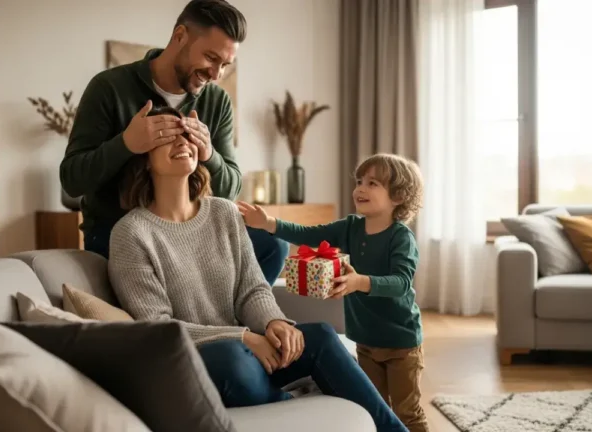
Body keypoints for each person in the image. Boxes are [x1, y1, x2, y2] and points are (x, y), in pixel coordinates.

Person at [106, 117, 409, 432]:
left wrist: (274, 323)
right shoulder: (131, 233)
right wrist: (243, 337)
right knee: (232, 361)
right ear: (143, 158)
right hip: (195, 363)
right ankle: (290, 409)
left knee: (319, 335)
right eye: (168, 137)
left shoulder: (224, 213)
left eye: (187, 135)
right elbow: (157, 329)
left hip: (247, 352)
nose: (183, 142)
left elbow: (252, 288)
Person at [58, 0, 287, 285]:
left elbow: (230, 190)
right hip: (116, 231)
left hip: (190, 231)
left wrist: (210, 154)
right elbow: (71, 180)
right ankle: (205, 325)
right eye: (211, 58)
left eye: (226, 65)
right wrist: (126, 143)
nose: (216, 75)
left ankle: (223, 324)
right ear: (180, 36)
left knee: (274, 246)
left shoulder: (217, 102)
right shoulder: (109, 88)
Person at [238, 153, 429, 432]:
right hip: (365, 340)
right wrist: (269, 223)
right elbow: (308, 234)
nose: (360, 188)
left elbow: (400, 282)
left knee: (407, 412)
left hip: (401, 344)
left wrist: (359, 282)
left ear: (398, 196)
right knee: (371, 407)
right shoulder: (351, 227)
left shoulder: (401, 237)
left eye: (372, 183)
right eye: (360, 181)